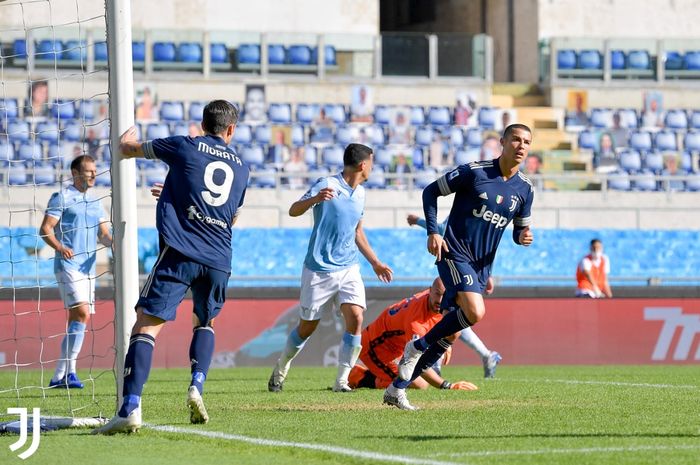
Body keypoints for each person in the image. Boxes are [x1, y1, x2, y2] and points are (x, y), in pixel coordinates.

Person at [94, 100, 249, 434]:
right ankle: (196, 384)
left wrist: (127, 138)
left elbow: (128, 149)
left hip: (181, 252)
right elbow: (231, 214)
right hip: (219, 258)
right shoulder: (242, 167)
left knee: (146, 326)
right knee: (205, 321)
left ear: (203, 123)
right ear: (231, 130)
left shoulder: (183, 145)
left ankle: (130, 408)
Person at [384, 124, 535, 411]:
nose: (521, 145)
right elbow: (430, 192)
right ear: (502, 142)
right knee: (476, 312)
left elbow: (518, 233)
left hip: (481, 267)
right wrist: (433, 231)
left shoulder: (525, 189)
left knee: (453, 333)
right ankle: (416, 347)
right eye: (515, 139)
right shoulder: (474, 172)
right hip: (453, 253)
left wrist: (523, 237)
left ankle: (397, 388)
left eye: (527, 141)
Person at [268, 143, 393, 393]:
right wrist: (315, 199)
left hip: (349, 268)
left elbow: (357, 232)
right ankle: (280, 369)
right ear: (362, 165)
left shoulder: (361, 194)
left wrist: (375, 262)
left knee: (356, 317)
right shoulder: (326, 184)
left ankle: (341, 381)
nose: (372, 168)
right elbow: (293, 210)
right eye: (371, 162)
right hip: (319, 270)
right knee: (307, 327)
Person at [40, 155, 112, 389]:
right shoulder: (62, 197)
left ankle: (59, 375)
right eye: (88, 171)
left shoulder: (95, 202)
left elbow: (103, 234)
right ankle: (70, 372)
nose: (93, 175)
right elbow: (46, 229)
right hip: (67, 265)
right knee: (82, 313)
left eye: (95, 171)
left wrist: (115, 241)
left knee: (78, 318)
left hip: (87, 268)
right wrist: (60, 247)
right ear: (75, 173)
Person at [406, 213, 502, 378]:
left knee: (452, 317)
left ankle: (433, 363)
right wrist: (488, 275)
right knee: (457, 319)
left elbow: (444, 229)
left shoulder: (470, 205)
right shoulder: (481, 207)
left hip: (460, 270)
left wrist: (418, 221)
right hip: (467, 271)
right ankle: (485, 355)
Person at [348, 277, 478, 391]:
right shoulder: (416, 323)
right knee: (419, 384)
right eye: (437, 294)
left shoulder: (432, 299)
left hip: (395, 346)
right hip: (376, 348)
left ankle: (377, 374)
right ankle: (361, 377)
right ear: (430, 290)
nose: (440, 300)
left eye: (444, 295)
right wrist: (446, 385)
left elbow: (448, 321)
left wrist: (447, 343)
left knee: (419, 374)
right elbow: (418, 362)